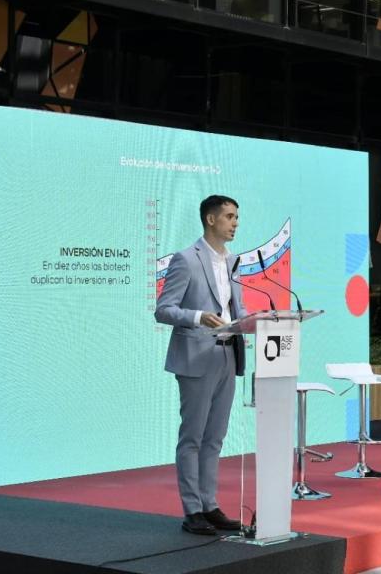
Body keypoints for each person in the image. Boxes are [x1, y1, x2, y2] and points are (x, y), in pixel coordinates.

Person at [155, 195, 247, 536]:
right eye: (229, 216)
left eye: (237, 217)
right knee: (192, 437)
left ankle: (210, 504)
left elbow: (235, 308)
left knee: (215, 438)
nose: (235, 222)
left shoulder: (234, 261)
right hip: (196, 356)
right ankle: (192, 510)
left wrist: (250, 322)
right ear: (211, 219)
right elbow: (164, 309)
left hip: (227, 354)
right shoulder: (185, 259)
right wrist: (197, 317)